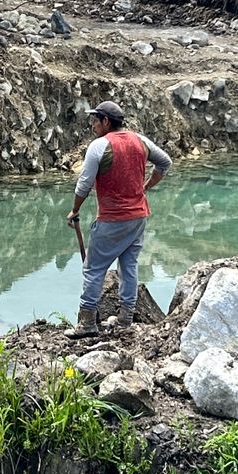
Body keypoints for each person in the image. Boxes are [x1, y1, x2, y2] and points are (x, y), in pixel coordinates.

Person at [65, 101, 172, 338]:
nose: (93, 125)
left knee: (93, 269)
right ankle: (125, 319)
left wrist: (74, 209)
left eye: (95, 120)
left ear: (106, 121)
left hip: (112, 219)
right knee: (129, 266)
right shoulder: (140, 141)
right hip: (138, 217)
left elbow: (84, 183)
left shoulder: (99, 146)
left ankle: (87, 323)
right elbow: (165, 162)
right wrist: (146, 187)